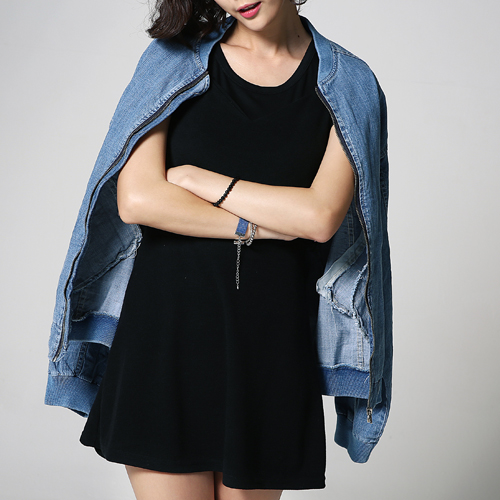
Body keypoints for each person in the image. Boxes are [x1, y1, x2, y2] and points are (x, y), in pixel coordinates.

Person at [44, 1, 393, 499]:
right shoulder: (174, 61)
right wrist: (259, 225)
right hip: (163, 341)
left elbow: (319, 217)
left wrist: (200, 180)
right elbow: (138, 198)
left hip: (270, 351)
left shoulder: (349, 84)